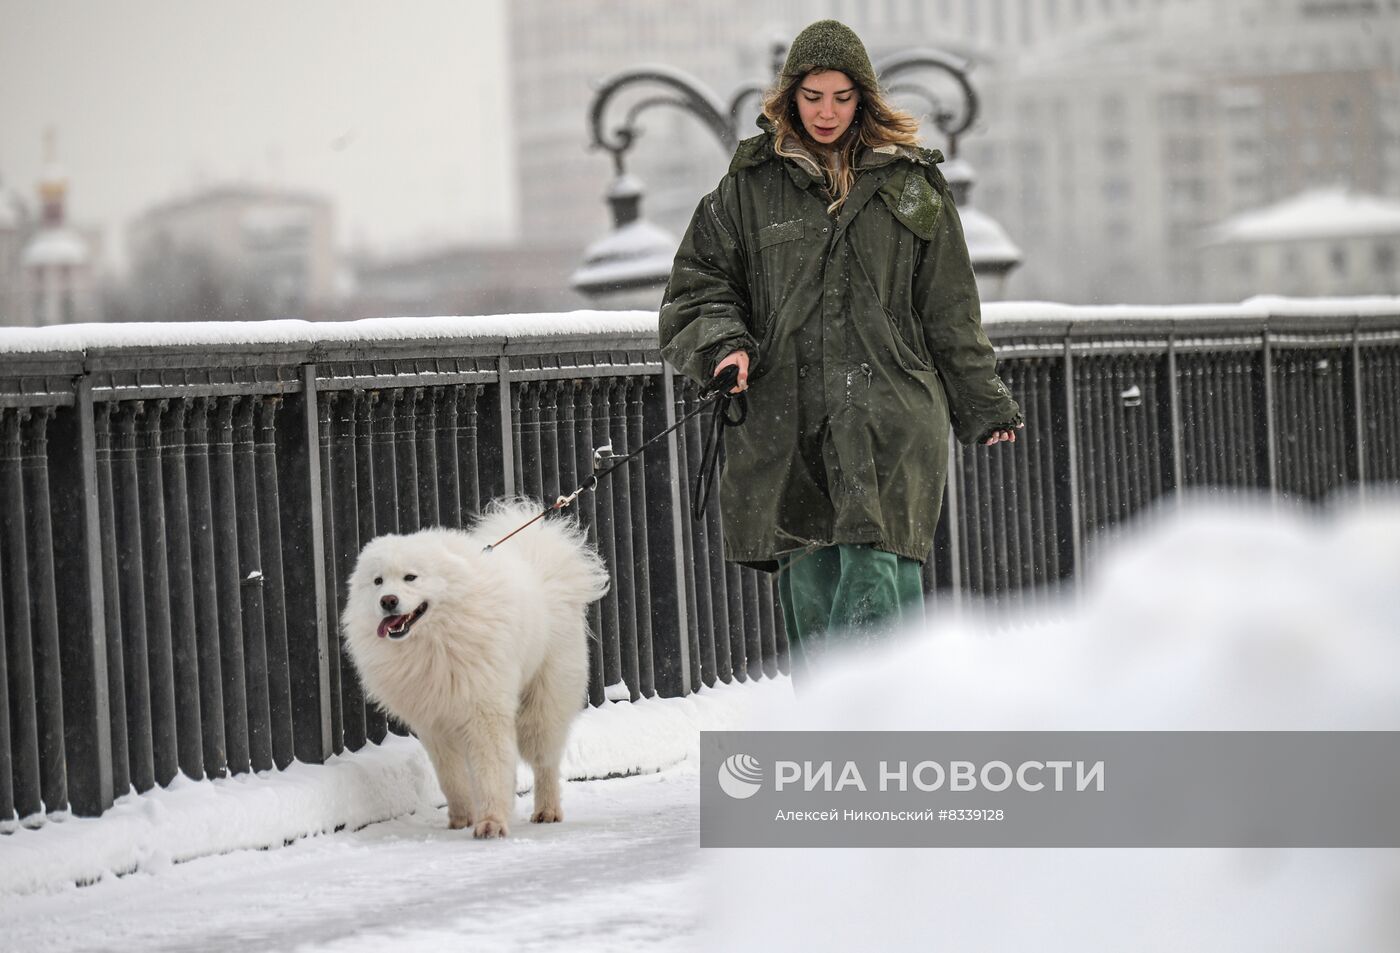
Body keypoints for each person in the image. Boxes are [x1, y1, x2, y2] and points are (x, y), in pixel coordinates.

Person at [658, 19, 1023, 679]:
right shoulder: (745, 189)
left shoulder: (913, 185)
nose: (826, 112)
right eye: (813, 95)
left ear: (865, 100)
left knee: (876, 577)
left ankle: (897, 740)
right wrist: (724, 345)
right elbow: (695, 291)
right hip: (786, 420)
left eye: (842, 96)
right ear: (790, 98)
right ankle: (833, 755)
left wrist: (982, 398)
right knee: (816, 597)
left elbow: (948, 307)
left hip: (889, 414)